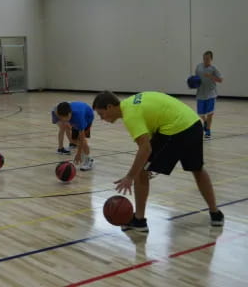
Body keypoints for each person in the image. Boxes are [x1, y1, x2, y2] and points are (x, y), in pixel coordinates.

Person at [92, 91, 224, 232]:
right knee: (197, 169)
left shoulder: (130, 115)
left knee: (140, 171)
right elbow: (153, 132)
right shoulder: (132, 103)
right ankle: (216, 214)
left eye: (101, 114)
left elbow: (145, 149)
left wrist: (130, 176)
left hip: (176, 130)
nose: (102, 118)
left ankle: (139, 221)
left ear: (110, 107)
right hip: (193, 124)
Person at [52, 102, 95, 171]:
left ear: (69, 115)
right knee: (74, 140)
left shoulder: (79, 118)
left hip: (87, 117)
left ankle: (89, 160)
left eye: (64, 119)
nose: (63, 120)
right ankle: (84, 151)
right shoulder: (61, 112)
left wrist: (78, 153)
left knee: (82, 141)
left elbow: (82, 137)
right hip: (76, 115)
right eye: (61, 118)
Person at [195, 51, 223, 139]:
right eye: (204, 58)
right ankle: (205, 122)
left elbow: (220, 80)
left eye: (207, 59)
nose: (205, 60)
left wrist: (210, 76)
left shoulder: (214, 69)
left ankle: (208, 131)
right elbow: (196, 79)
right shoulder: (198, 67)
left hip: (211, 94)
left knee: (210, 113)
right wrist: (192, 82)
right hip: (200, 93)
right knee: (201, 113)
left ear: (211, 59)